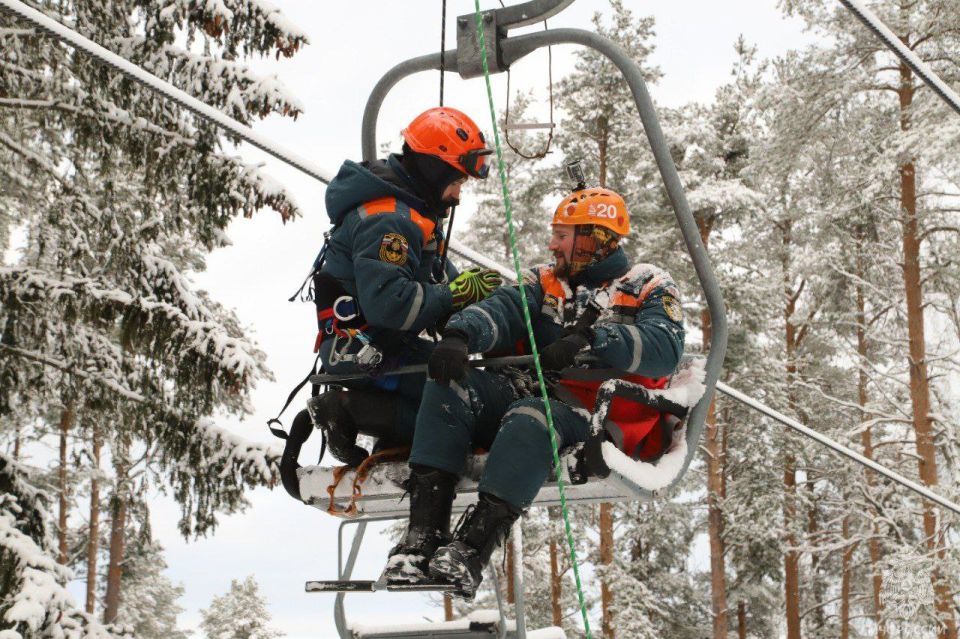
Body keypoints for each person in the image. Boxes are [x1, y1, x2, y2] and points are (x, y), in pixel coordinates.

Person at [380, 185, 686, 598]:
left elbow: (664, 348)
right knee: (450, 386)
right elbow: (504, 309)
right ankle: (423, 537)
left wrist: (592, 340)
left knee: (530, 418)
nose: (552, 244)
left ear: (592, 239)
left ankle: (471, 550)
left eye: (562, 235)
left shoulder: (647, 284)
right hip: (534, 395)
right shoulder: (545, 282)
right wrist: (461, 334)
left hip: (600, 415)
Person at [307, 107, 502, 466]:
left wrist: (484, 301)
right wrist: (455, 295)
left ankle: (377, 421)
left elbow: (436, 277)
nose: (458, 196)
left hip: (377, 350)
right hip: (365, 353)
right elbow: (391, 305)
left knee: (463, 399)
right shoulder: (390, 220)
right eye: (456, 182)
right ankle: (350, 411)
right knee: (472, 405)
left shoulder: (410, 214)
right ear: (434, 170)